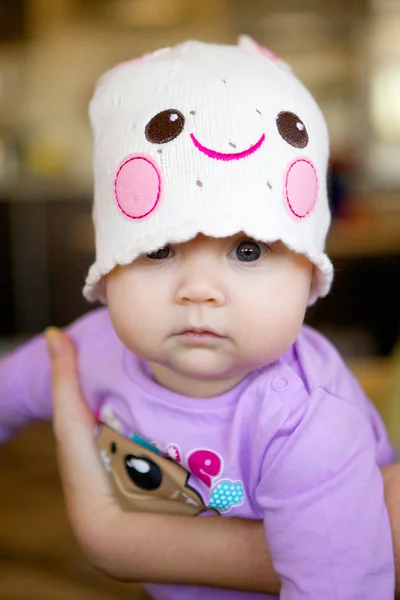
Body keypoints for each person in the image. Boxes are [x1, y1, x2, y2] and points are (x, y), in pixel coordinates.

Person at [0, 36, 396, 598]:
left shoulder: (308, 425)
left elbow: (339, 585)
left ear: (311, 277)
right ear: (107, 271)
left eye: (249, 250)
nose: (199, 290)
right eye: (159, 250)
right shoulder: (89, 350)